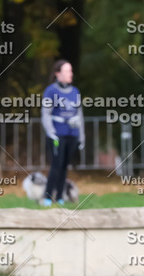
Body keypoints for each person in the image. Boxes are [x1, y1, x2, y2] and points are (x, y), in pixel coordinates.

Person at [40, 60, 85, 206]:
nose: (70, 74)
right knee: (56, 166)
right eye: (67, 71)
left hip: (72, 134)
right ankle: (47, 197)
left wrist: (81, 136)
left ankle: (60, 196)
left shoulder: (75, 92)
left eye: (70, 71)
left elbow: (79, 114)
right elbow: (46, 113)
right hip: (57, 134)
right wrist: (51, 131)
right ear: (58, 74)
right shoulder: (51, 91)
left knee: (65, 166)